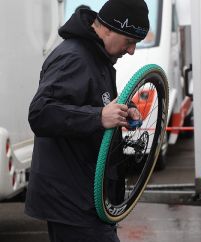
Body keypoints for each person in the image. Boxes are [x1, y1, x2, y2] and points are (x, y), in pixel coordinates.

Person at [25, 0, 149, 241]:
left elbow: (93, 100)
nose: (132, 50)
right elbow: (40, 113)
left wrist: (125, 109)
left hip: (89, 197)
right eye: (130, 41)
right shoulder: (74, 57)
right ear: (109, 29)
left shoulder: (97, 56)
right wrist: (99, 117)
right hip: (71, 201)